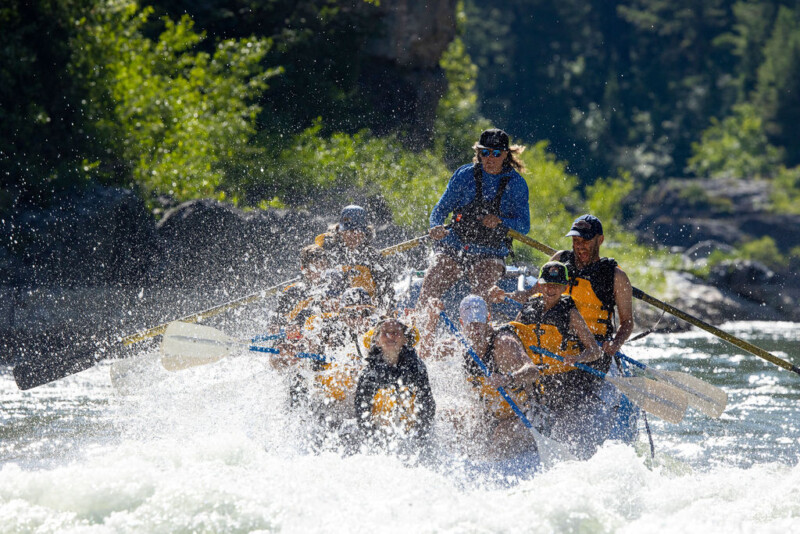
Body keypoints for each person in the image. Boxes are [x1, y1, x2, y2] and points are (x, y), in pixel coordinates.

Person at [417, 129, 531, 312]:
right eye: (485, 153)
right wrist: (436, 226)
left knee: (482, 291)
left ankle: (479, 334)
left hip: (491, 250)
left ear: (506, 155)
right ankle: (418, 328)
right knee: (432, 282)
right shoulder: (464, 175)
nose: (490, 158)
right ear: (479, 153)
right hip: (455, 244)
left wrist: (500, 221)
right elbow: (439, 211)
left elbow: (524, 227)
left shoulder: (516, 184)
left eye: (496, 153)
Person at [508, 261, 605, 459]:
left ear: (564, 287)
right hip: (533, 378)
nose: (551, 289)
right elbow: (512, 337)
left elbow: (595, 351)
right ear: (540, 285)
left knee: (564, 426)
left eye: (556, 285)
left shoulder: (569, 312)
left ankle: (572, 454)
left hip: (563, 381)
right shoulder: (528, 307)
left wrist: (578, 358)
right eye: (547, 284)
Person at [457, 295, 542, 475]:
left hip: (527, 417)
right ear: (461, 323)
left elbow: (533, 370)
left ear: (488, 319)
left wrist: (507, 378)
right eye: (471, 324)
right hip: (493, 415)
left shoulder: (503, 343)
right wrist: (433, 317)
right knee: (456, 420)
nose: (476, 329)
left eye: (479, 323)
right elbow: (427, 351)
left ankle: (485, 474)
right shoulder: (462, 346)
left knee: (502, 433)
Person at [549, 214, 634, 372]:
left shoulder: (616, 276)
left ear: (600, 240)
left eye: (586, 241)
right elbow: (536, 295)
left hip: (593, 350)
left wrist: (616, 343)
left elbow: (627, 322)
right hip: (553, 342)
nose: (580, 246)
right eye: (576, 241)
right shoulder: (559, 260)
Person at [354, 318, 435, 450]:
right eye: (385, 332)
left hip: (410, 430)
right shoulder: (369, 373)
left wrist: (420, 438)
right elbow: (362, 410)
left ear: (405, 340)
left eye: (396, 332)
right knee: (385, 396)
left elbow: (427, 404)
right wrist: (372, 440)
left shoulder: (416, 367)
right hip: (380, 430)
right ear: (377, 341)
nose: (390, 336)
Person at [314, 205, 394, 311]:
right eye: (349, 231)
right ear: (340, 231)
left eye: (357, 231)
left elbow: (387, 291)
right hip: (335, 311)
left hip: (365, 312)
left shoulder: (373, 257)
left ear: (365, 232)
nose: (353, 235)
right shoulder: (327, 253)